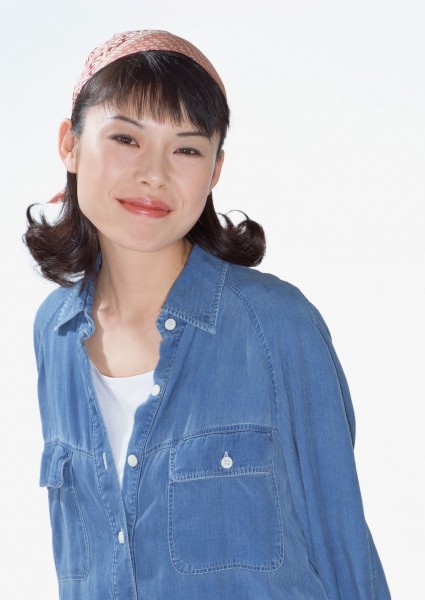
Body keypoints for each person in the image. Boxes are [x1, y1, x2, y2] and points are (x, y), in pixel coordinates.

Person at [25, 30, 391, 599]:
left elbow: (343, 547)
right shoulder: (55, 331)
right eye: (126, 138)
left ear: (215, 170)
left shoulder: (276, 325)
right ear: (69, 145)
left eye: (187, 150)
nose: (154, 174)